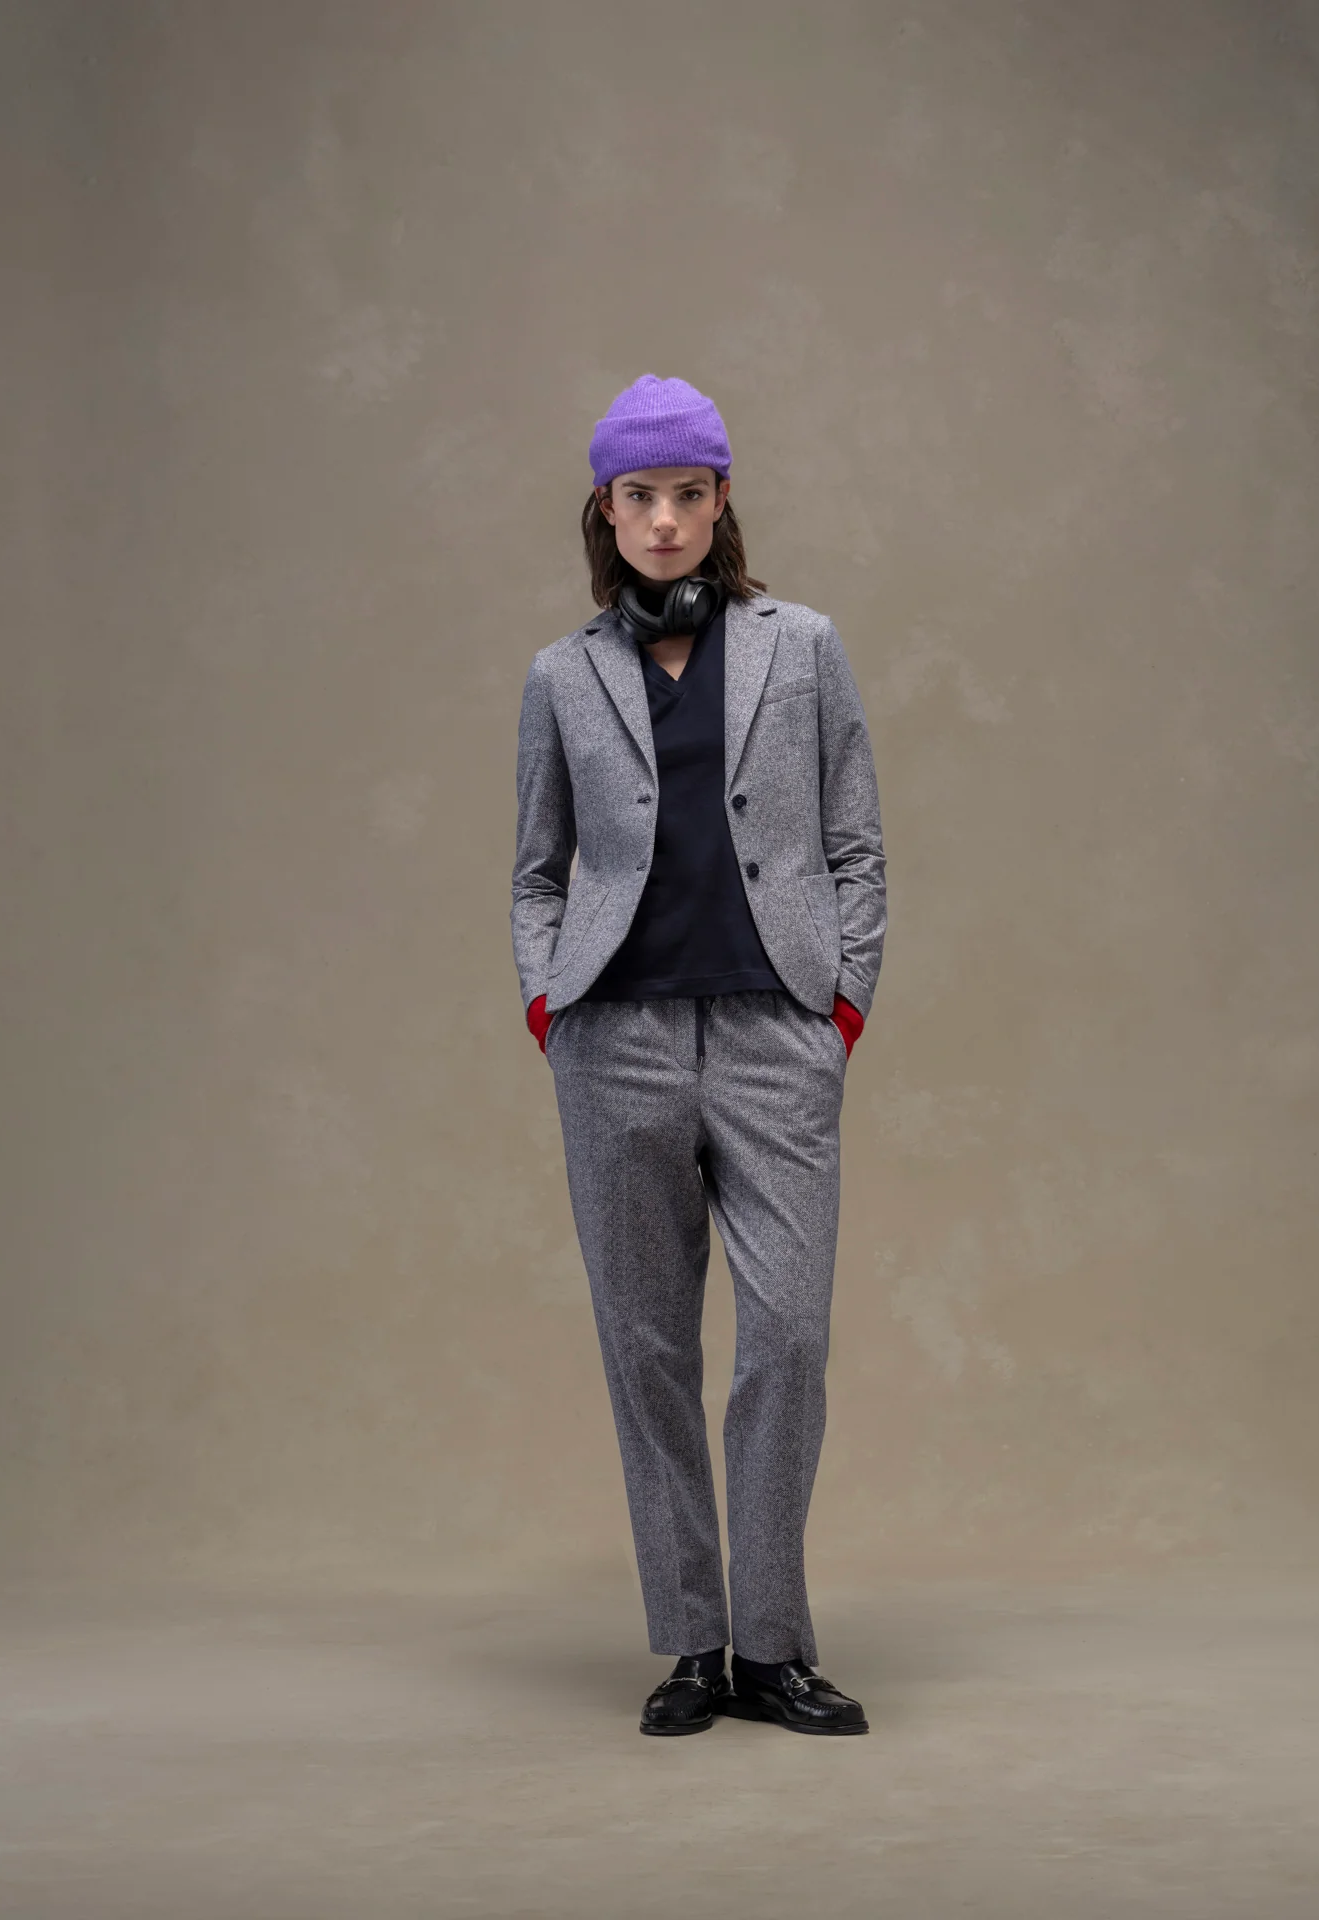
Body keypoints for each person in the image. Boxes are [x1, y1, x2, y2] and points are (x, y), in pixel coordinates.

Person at [510, 373, 888, 1736]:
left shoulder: (805, 648)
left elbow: (855, 843)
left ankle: (774, 1648)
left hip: (777, 1033)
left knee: (786, 1337)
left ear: (722, 501)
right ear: (606, 511)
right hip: (614, 1042)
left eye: (687, 493)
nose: (663, 520)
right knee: (647, 1346)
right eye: (639, 496)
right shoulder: (563, 677)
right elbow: (535, 869)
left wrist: (842, 1006)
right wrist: (548, 1004)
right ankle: (691, 1644)